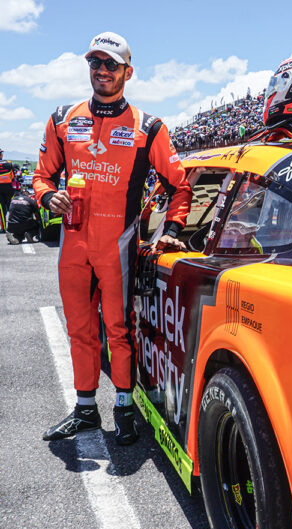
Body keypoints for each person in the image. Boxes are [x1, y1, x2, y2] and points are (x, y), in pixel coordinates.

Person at [33, 32, 191, 445]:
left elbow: (179, 186)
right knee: (79, 330)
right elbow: (41, 175)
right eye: (95, 63)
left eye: (111, 65)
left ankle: (124, 407)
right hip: (73, 247)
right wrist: (48, 195)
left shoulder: (149, 127)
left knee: (118, 329)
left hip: (118, 247)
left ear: (127, 72)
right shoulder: (63, 118)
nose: (101, 71)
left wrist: (171, 230)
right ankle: (85, 408)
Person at [0, 149, 17, 233]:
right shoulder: (9, 163)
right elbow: (13, 177)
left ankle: (3, 228)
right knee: (12, 207)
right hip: (9, 188)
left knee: (2, 210)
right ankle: (14, 226)